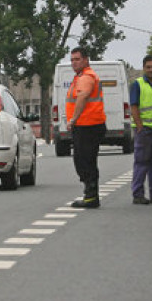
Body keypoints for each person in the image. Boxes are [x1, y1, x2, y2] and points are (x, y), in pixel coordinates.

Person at [66, 46, 106, 208]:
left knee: (85, 161)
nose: (74, 63)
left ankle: (91, 196)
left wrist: (73, 119)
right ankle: (90, 194)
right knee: (83, 160)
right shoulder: (81, 76)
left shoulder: (86, 77)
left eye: (77, 59)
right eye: (72, 60)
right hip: (87, 125)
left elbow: (82, 97)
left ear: (86, 60)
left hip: (88, 125)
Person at [128, 55, 152, 205]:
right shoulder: (138, 84)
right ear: (144, 68)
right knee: (142, 162)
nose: (151, 70)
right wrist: (139, 126)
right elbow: (134, 106)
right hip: (145, 130)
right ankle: (138, 194)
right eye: (148, 67)